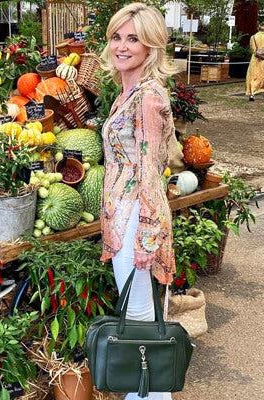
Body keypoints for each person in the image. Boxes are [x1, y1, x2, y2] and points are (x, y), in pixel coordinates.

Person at [100, 3, 176, 400]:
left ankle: (150, 394)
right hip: (123, 214)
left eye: (134, 39)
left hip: (134, 218)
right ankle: (144, 393)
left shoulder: (146, 97)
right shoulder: (128, 91)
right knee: (137, 313)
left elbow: (149, 168)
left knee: (141, 318)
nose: (123, 46)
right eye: (118, 36)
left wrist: (146, 237)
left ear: (151, 47)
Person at [246, 23, 264, 101]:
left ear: (258, 28)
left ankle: (252, 94)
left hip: (255, 58)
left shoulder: (253, 37)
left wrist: (256, 52)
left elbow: (252, 48)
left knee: (253, 75)